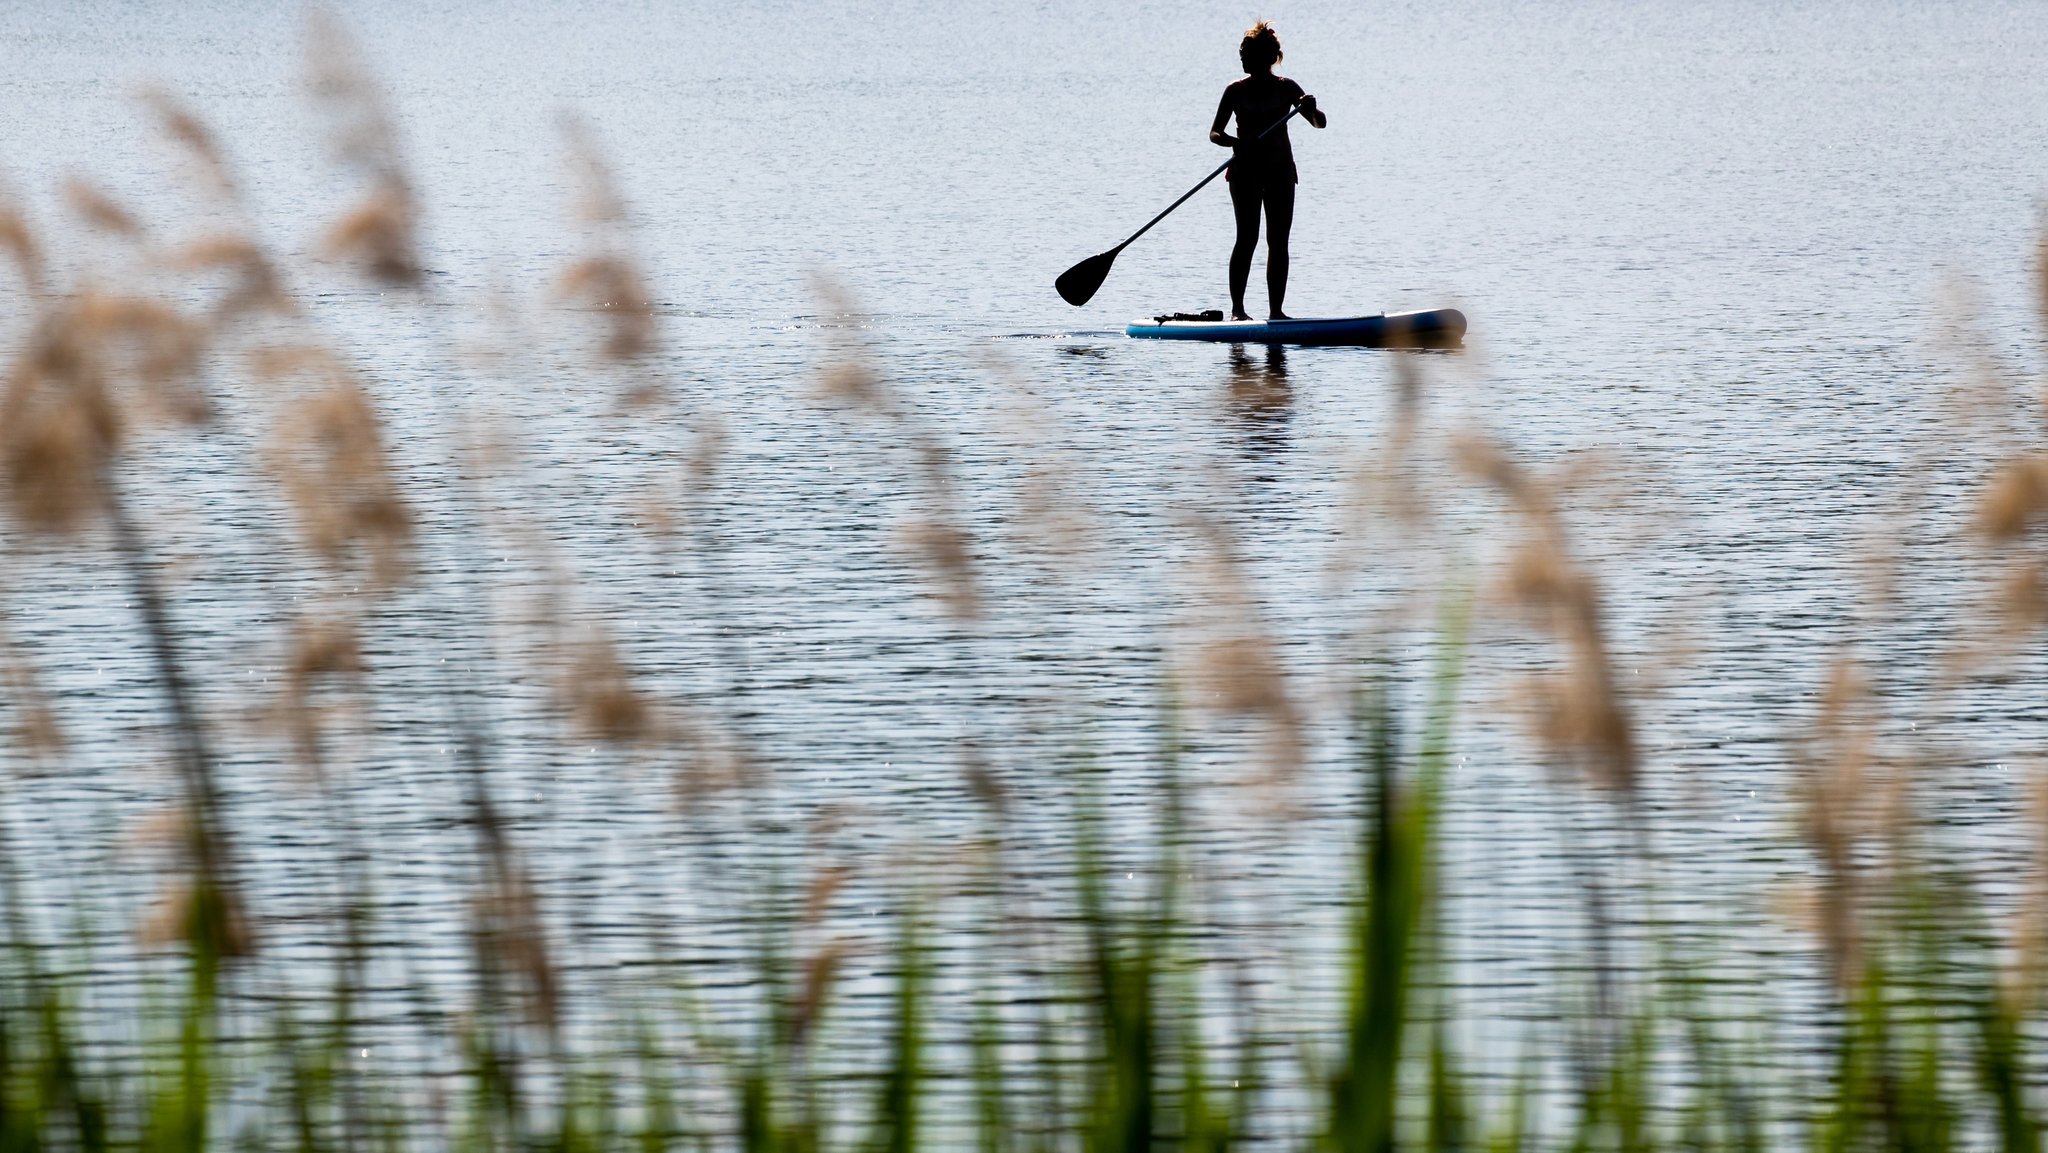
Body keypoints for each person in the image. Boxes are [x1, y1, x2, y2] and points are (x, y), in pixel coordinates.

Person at [1209, 20, 1324, 320]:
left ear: (1263, 58)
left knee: (1278, 241)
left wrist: (1310, 107)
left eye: (1245, 52)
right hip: (1245, 173)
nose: (1241, 57)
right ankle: (1238, 311)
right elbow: (1215, 134)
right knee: (1246, 238)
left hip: (1280, 172)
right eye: (1241, 52)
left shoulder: (1287, 88)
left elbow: (1319, 123)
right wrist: (1236, 143)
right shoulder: (1234, 91)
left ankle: (1276, 312)